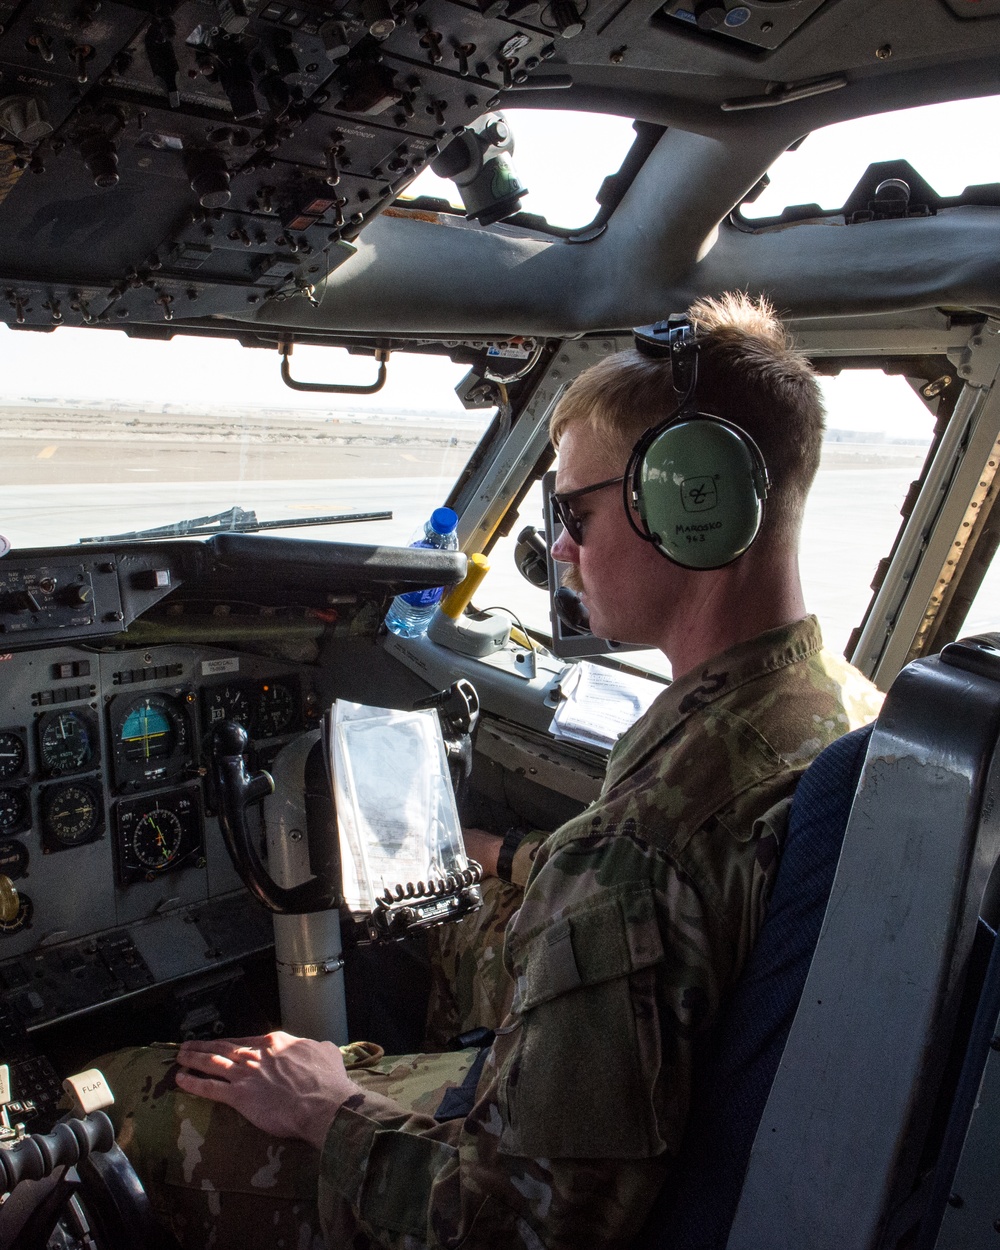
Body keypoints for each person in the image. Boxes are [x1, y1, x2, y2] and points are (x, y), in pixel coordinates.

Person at [99, 292, 883, 1250]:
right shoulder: (839, 700)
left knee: (132, 1102)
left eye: (575, 513)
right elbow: (676, 890)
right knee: (453, 912)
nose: (557, 547)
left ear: (694, 501)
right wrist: (507, 859)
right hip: (703, 1104)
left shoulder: (634, 852)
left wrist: (325, 1104)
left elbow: (507, 1225)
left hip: (511, 1195)